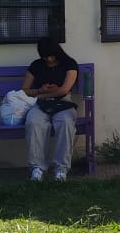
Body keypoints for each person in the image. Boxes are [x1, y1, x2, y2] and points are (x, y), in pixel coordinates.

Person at [21, 37, 79, 181]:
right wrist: (40, 90)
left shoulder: (69, 64)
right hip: (40, 103)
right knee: (33, 122)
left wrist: (45, 94)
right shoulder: (36, 65)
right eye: (45, 56)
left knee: (65, 123)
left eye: (51, 55)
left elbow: (64, 90)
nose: (48, 59)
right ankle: (37, 168)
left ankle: (61, 168)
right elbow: (25, 90)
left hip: (63, 103)